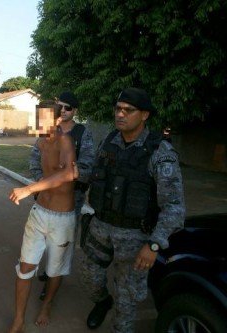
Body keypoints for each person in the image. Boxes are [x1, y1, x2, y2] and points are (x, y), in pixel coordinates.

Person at [79, 87, 185, 333]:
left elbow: (174, 207)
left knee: (127, 299)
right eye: (118, 109)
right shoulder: (108, 142)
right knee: (89, 278)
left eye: (129, 110)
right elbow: (93, 175)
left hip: (136, 238)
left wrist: (154, 245)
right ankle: (102, 302)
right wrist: (74, 173)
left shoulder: (160, 152)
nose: (120, 114)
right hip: (100, 228)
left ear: (144, 115)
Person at [7, 107, 78, 333]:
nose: (40, 122)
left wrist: (29, 188)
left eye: (45, 118)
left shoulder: (65, 141)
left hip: (62, 218)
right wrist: (39, 186)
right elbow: (44, 171)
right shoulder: (41, 143)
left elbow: (67, 175)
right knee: (25, 266)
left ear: (57, 119)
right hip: (39, 212)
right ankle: (18, 321)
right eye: (38, 118)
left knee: (54, 269)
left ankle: (46, 306)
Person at [30, 91, 95, 298]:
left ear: (74, 111)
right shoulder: (47, 129)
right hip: (45, 196)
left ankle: (51, 281)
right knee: (43, 237)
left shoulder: (83, 134)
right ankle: (48, 271)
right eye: (61, 106)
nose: (63, 110)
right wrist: (42, 181)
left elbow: (87, 166)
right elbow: (35, 158)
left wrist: (68, 175)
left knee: (61, 241)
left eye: (68, 107)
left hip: (70, 197)